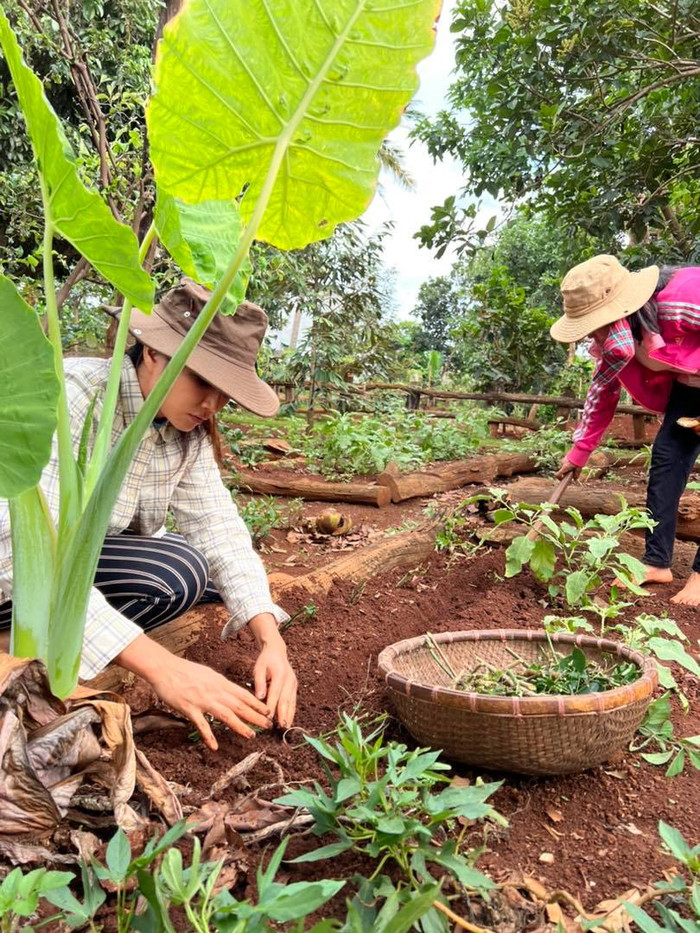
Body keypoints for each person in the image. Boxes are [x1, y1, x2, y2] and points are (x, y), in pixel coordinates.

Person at [0, 279, 297, 749]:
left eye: (226, 393)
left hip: (72, 565)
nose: (213, 405)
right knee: (174, 570)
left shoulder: (184, 431)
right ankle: (21, 654)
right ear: (153, 353)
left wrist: (271, 641)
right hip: (13, 568)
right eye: (203, 381)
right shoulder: (73, 398)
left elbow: (217, 526)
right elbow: (19, 553)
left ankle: (74, 642)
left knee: (180, 570)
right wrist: (164, 668)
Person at [551, 254, 700, 605]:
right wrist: (579, 453)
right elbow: (602, 392)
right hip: (690, 388)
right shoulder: (616, 340)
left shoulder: (685, 299)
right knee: (666, 460)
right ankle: (656, 563)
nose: (592, 334)